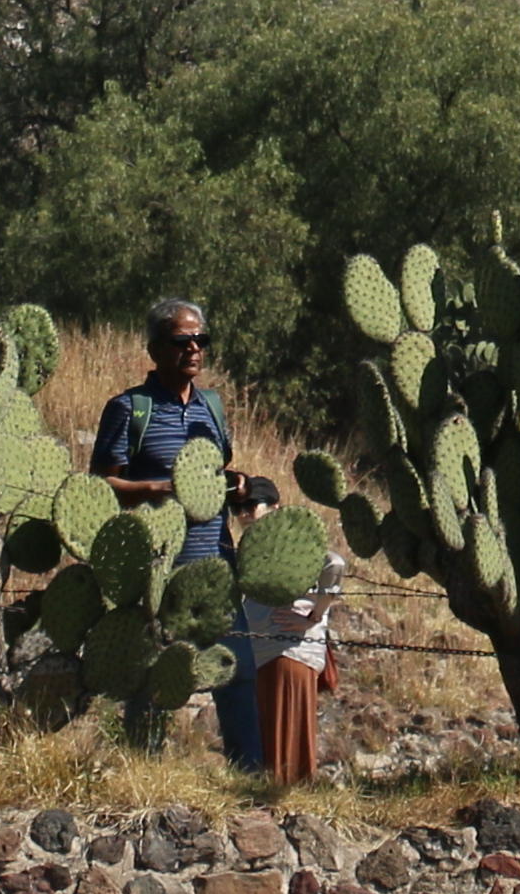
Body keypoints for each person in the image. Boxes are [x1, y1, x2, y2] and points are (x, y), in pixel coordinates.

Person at [90, 300, 236, 570]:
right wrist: (155, 490)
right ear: (155, 350)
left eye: (200, 340)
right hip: (155, 571)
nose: (193, 348)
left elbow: (218, 476)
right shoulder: (128, 408)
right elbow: (98, 487)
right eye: (181, 341)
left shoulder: (211, 407)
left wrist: (239, 486)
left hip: (217, 570)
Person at [223, 473, 343, 784]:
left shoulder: (295, 546)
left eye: (252, 506)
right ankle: (279, 797)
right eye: (238, 509)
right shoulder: (249, 554)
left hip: (289, 650)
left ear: (274, 506)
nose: (244, 514)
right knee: (268, 738)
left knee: (283, 745)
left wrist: (314, 615)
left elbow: (334, 564)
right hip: (261, 653)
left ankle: (284, 798)